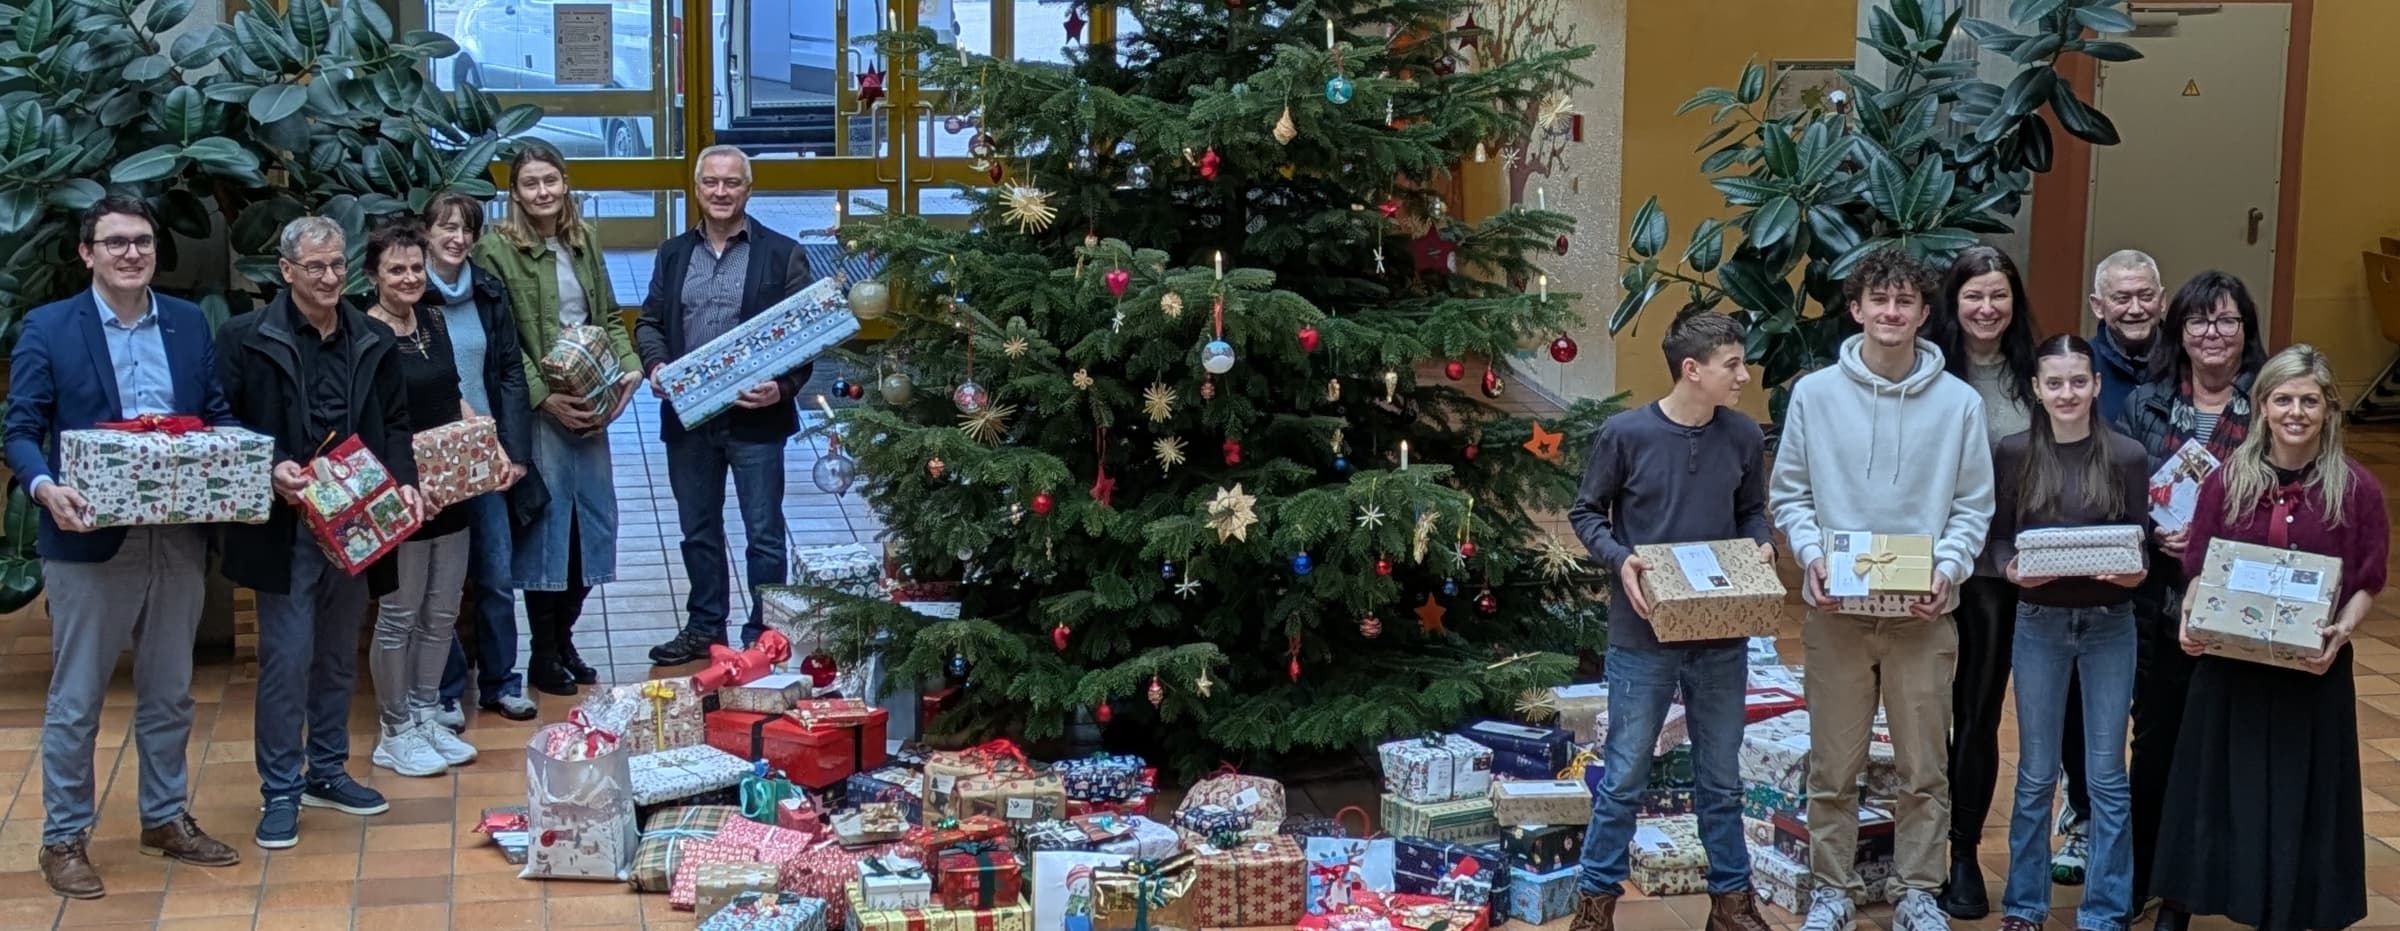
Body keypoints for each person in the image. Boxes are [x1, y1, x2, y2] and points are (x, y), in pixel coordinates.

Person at [3, 196, 244, 897]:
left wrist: (241, 456)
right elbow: (20, 428)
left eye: (142, 241)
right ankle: (64, 837)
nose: (131, 253)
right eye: (115, 243)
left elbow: (218, 414)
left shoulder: (188, 322)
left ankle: (164, 816)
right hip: (87, 541)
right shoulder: (49, 327)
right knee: (76, 699)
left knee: (171, 691)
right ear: (88, 253)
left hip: (175, 537)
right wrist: (45, 487)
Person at [1770, 247, 1994, 931]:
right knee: (1834, 766)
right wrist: (1810, 556)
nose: (1891, 312)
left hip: (1923, 615)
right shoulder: (1813, 395)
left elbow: (1973, 506)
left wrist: (1948, 569)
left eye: (1905, 302)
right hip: (1835, 612)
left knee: (1925, 767)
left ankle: (1918, 891)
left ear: (1925, 313)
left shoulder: (1960, 403)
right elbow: (1791, 495)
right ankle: (1832, 890)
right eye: (1880, 300)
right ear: (1857, 308)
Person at [2152, 344, 2382, 931]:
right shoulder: (2229, 479)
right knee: (2214, 786)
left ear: (2330, 409)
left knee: (2299, 794)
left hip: (2313, 670)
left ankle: (2286, 911)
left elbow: (2367, 579)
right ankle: (2181, 903)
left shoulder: (2357, 489)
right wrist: (2192, 616)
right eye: (2283, 399)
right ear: (2262, 407)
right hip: (2231, 666)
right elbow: (2200, 563)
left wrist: (2342, 630)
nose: (2296, 412)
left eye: (2309, 400)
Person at [1563, 308, 1774, 931]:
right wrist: (1621, 561)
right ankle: (1595, 907)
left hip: (1721, 635)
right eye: (1732, 364)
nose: (1743, 375)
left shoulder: (1741, 436)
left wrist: (1760, 545)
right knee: (1625, 772)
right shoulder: (1625, 434)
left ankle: (1732, 905)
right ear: (1693, 369)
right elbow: (1586, 514)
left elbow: (1752, 513)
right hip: (1643, 635)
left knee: (1722, 778)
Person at [219, 215, 425, 849]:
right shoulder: (244, 337)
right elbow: (219, 420)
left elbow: (394, 421)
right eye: (316, 267)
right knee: (286, 658)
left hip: (358, 521)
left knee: (338, 654)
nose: (331, 277)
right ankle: (280, 788)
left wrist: (405, 481)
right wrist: (266, 465)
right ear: (286, 272)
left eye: (338, 264)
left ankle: (328, 772)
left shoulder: (371, 337)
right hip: (286, 526)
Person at [2111, 270, 2267, 931]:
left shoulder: (2267, 406)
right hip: (2156, 603)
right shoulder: (2143, 404)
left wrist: (2209, 538)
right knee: (2155, 745)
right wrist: (2153, 531)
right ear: (2179, 330)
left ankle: (2199, 886)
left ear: (2246, 332)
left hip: (2237, 601)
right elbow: (2116, 498)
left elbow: (2285, 503)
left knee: (2225, 745)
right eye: (2200, 320)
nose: (2213, 333)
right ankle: (2148, 875)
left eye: (2227, 320)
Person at [1985, 334, 2150, 931]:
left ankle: (2105, 910)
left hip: (2111, 625)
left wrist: (2134, 571)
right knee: (2034, 773)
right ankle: (2025, 905)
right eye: (2054, 383)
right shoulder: (2013, 452)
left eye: (2079, 381)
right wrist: (2011, 568)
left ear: (2097, 385)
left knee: (2107, 775)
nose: (2067, 393)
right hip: (2039, 624)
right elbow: (1998, 537)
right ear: (2036, 389)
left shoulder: (2127, 456)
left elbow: (2140, 544)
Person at [473, 140, 641, 695]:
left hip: (590, 398)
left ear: (565, 182)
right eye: (530, 184)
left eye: (551, 180)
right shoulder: (496, 250)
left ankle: (564, 638)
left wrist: (629, 372)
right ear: (515, 193)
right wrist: (544, 397)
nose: (542, 192)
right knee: (549, 531)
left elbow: (609, 316)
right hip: (538, 409)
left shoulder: (583, 238)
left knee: (595, 526)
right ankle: (544, 652)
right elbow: (502, 341)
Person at [637, 145, 816, 665]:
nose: (721, 192)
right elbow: (649, 321)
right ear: (696, 189)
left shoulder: (781, 254)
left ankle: (766, 635)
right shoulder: (673, 254)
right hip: (689, 421)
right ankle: (703, 626)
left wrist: (782, 389)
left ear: (748, 189)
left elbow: (806, 336)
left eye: (732, 183)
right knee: (698, 530)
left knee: (763, 534)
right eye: (711, 182)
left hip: (757, 421)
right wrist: (656, 366)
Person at [1927, 245, 2038, 920]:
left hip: (1998, 573)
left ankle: (1962, 855)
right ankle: (1903, 850)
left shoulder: (2037, 375)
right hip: (1919, 564)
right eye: (1974, 296)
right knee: (1913, 715)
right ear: (1953, 302)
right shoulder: (1927, 370)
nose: (1987, 308)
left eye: (1999, 295)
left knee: (1976, 714)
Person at [2052, 248, 2167, 889]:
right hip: (2081, 571)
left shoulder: (2181, 368)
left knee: (2151, 701)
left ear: (2161, 298)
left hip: (2166, 567)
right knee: (2079, 704)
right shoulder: (2076, 369)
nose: (2133, 307)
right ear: (2098, 306)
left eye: (2144, 294)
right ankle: (2085, 814)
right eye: (2120, 297)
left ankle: (2143, 829)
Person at [357, 220, 490, 776]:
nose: (409, 277)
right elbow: (367, 424)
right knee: (398, 615)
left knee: (441, 611)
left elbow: (453, 395)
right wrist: (409, 483)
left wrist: (486, 443)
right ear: (373, 276)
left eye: (416, 267)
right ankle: (394, 730)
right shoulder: (364, 334)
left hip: (450, 487)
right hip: (401, 492)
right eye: (396, 269)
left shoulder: (433, 319)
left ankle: (424, 710)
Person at [426, 192, 542, 724]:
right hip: (434, 461)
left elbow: (511, 374)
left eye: (467, 228)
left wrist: (515, 452)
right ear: (426, 231)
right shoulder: (411, 292)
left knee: (496, 576)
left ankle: (500, 682)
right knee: (442, 585)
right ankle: (447, 689)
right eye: (446, 226)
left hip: (489, 459)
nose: (457, 237)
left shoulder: (488, 293)